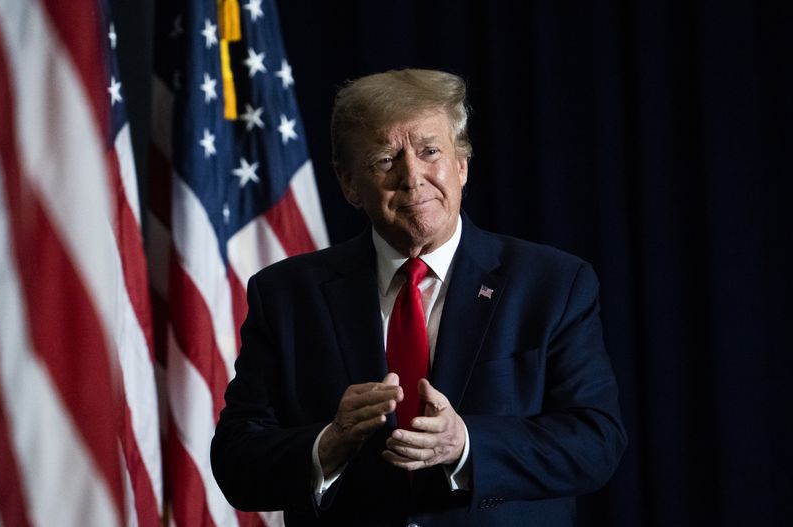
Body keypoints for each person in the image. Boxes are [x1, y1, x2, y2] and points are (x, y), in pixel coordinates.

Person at [211, 69, 626, 526]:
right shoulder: (287, 295)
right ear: (349, 183)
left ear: (462, 164)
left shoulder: (552, 284)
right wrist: (328, 444)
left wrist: (465, 445)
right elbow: (236, 461)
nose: (412, 177)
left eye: (430, 151)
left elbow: (596, 442)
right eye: (385, 159)